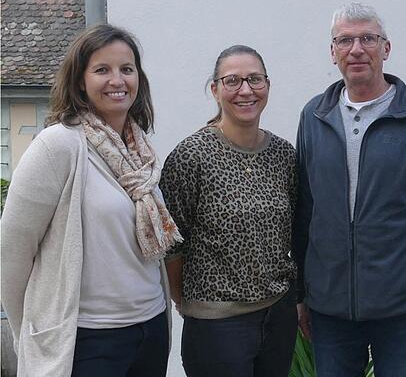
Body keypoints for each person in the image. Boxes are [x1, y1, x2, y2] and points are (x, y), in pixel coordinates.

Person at [294, 2, 406, 377]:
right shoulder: (314, 116)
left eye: (368, 39)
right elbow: (305, 213)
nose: (356, 49)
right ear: (333, 52)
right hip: (330, 308)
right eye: (345, 40)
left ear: (385, 49)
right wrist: (302, 297)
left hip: (402, 309)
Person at [1, 24, 181, 377]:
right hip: (89, 338)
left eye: (126, 69)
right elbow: (11, 250)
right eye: (102, 70)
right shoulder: (59, 146)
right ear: (80, 81)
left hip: (149, 329)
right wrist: (31, 335)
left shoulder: (139, 151)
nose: (118, 80)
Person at [159, 45, 298, 376]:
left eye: (254, 79)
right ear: (215, 89)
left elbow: (293, 229)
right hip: (217, 325)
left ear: (267, 85)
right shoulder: (190, 156)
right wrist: (186, 301)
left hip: (278, 315)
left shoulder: (283, 155)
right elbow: (171, 242)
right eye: (232, 80)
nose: (246, 90)